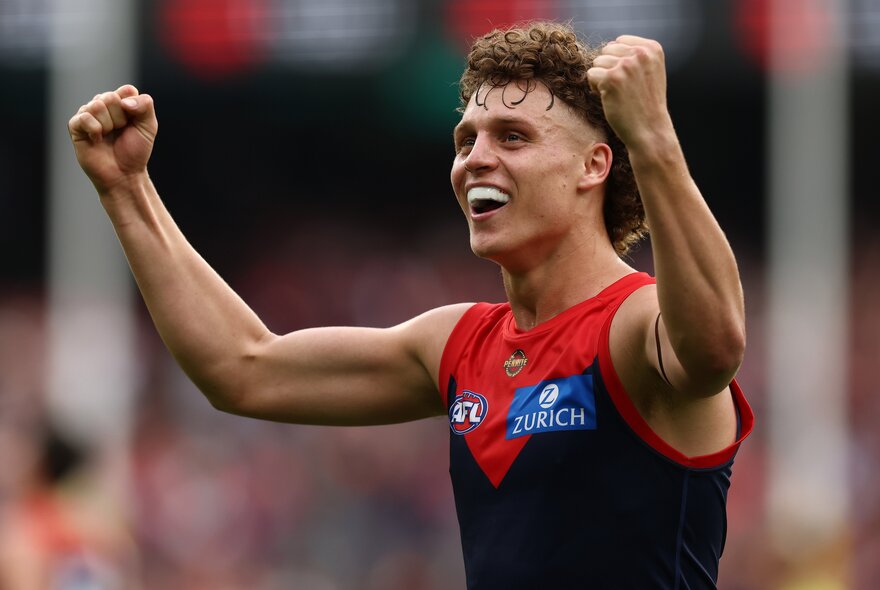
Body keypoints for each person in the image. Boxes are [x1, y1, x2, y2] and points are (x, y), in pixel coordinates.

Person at [68, 21, 753, 589]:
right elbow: (243, 368)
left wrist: (653, 139)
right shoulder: (457, 344)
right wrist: (127, 189)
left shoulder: (634, 324)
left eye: (513, 136)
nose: (475, 158)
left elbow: (715, 348)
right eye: (467, 139)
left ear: (594, 165)